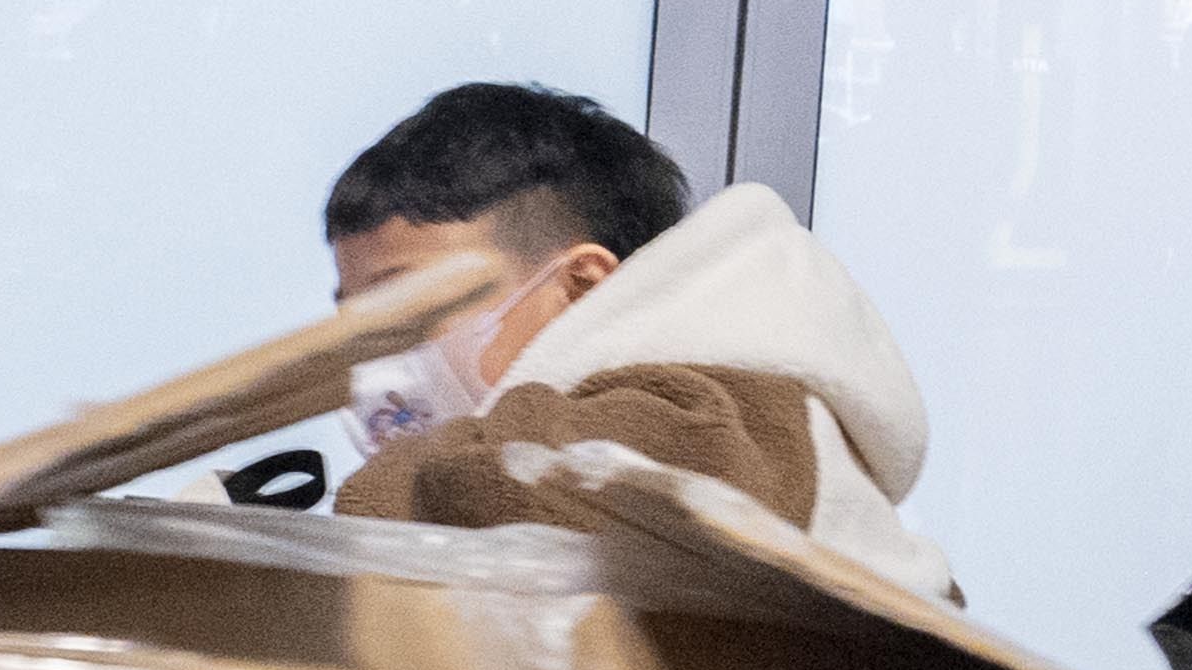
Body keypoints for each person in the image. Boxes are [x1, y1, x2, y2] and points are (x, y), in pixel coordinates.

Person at [316, 80, 957, 592]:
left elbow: (545, 489)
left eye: (405, 308)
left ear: (584, 285)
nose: (372, 355)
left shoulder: (722, 400)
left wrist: (378, 490)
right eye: (355, 323)